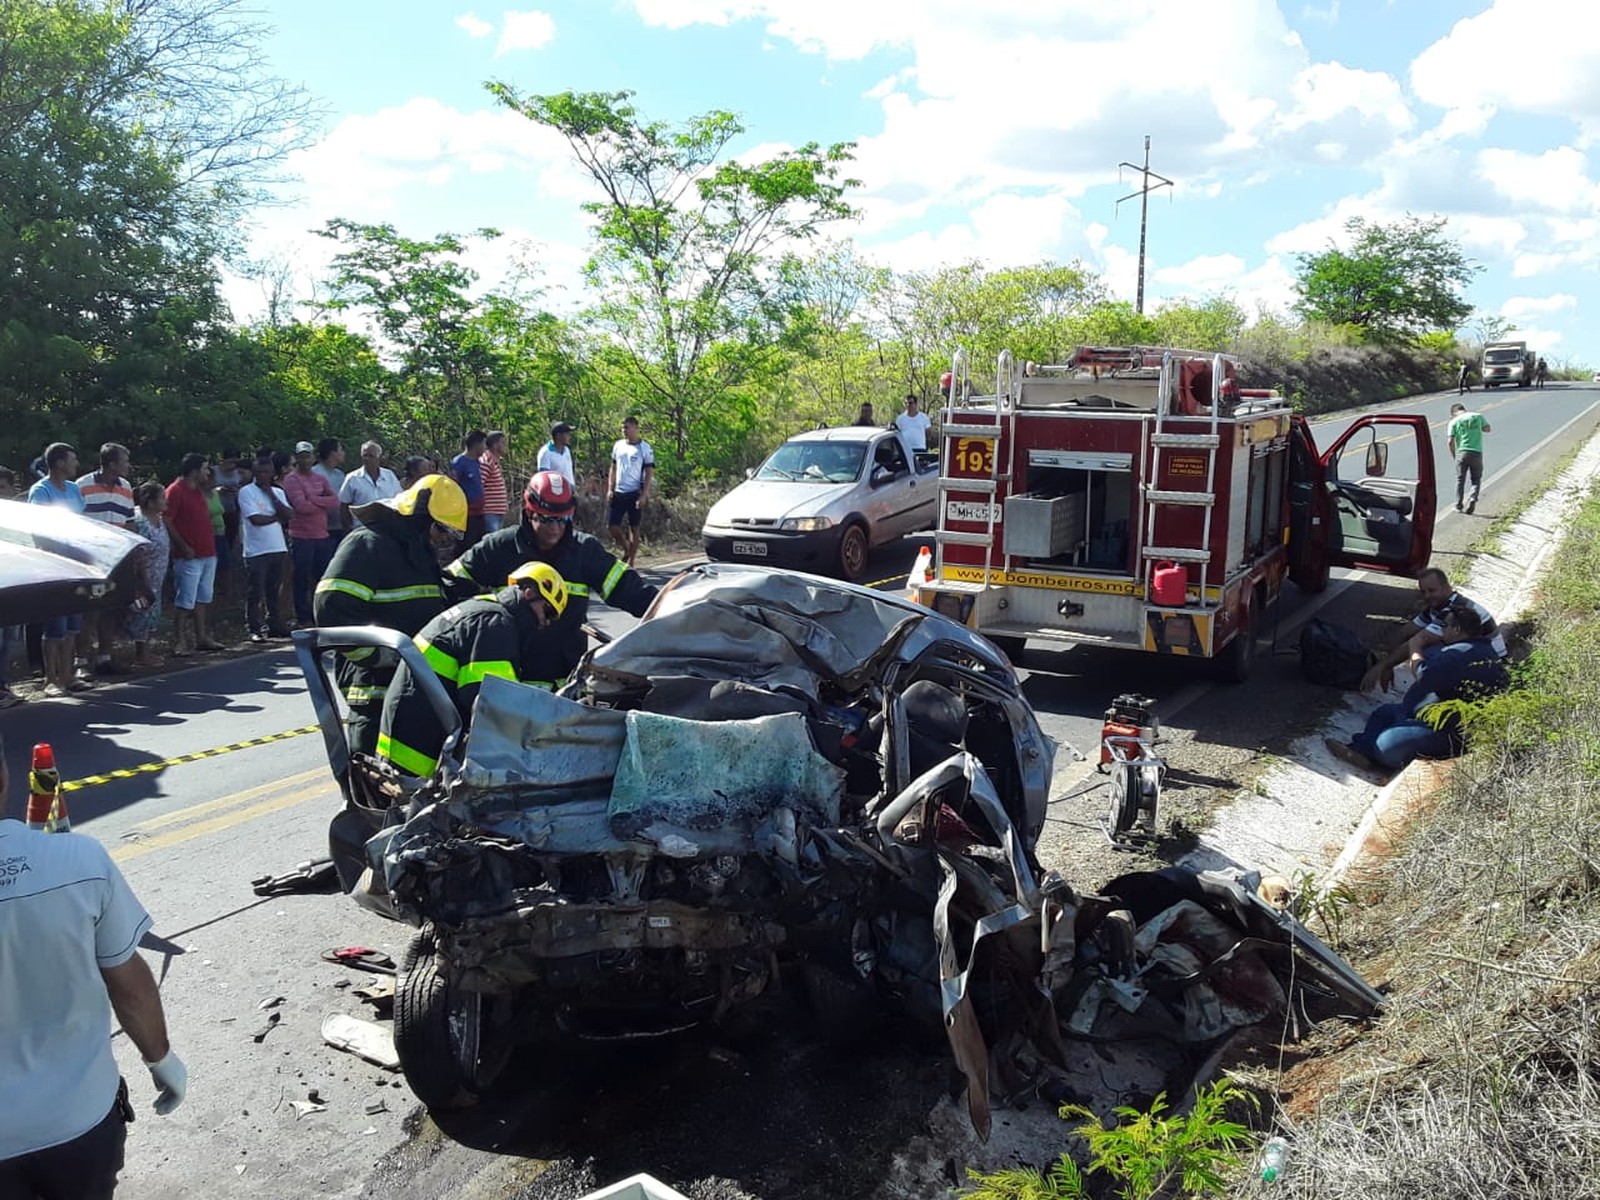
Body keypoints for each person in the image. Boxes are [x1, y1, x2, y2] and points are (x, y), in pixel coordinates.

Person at [0, 735, 187, 1198]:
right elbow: (129, 983)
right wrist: (161, 1060)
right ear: (3, 777)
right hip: (79, 1122)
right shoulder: (80, 860)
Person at [446, 470, 659, 687]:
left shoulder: (584, 551)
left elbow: (631, 591)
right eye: (547, 519)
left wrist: (674, 611)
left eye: (563, 519)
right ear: (530, 512)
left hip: (566, 687)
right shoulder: (498, 548)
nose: (555, 528)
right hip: (511, 686)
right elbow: (451, 586)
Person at [313, 474, 467, 756]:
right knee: (374, 793)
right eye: (442, 530)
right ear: (420, 517)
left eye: (451, 536)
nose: (445, 540)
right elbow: (331, 608)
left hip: (415, 697)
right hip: (374, 696)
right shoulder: (368, 545)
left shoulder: (419, 556)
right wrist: (382, 656)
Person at [377, 561, 570, 777]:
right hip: (416, 752)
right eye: (547, 610)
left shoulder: (483, 609)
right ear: (528, 592)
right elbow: (490, 705)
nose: (545, 622)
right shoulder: (494, 625)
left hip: (406, 738)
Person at [1328, 604, 1510, 774]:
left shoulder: (1458, 654)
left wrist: (1415, 649)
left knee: (1386, 745)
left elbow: (1424, 675)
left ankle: (1377, 758)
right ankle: (1362, 753)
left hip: (1447, 729)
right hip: (1424, 714)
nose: (1442, 630)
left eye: (1445, 625)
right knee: (1383, 713)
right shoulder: (1482, 649)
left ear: (1457, 630)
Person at [1360, 566, 1506, 693]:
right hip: (1471, 655)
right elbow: (1406, 632)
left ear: (1447, 587)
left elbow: (1419, 641)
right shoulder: (1437, 607)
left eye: (1432, 590)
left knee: (1428, 652)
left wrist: (1380, 668)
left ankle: (1426, 695)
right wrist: (1388, 665)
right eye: (1423, 592)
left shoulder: (1454, 609)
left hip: (1489, 663)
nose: (1427, 596)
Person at [27, 443, 88, 695]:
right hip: (52, 566)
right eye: (72, 460)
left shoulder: (74, 489)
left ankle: (67, 675)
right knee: (55, 626)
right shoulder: (41, 491)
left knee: (73, 624)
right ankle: (50, 679)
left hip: (76, 564)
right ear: (60, 462)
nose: (76, 464)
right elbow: (37, 528)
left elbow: (82, 523)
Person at [75, 443, 136, 678]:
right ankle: (80, 661)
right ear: (111, 464)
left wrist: (131, 550)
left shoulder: (126, 487)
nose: (128, 466)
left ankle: (104, 658)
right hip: (91, 558)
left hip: (117, 557)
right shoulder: (82, 485)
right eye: (125, 461)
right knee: (89, 609)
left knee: (110, 608)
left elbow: (129, 521)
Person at [165, 453, 223, 656]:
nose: (208, 472)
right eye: (205, 468)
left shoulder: (198, 491)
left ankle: (202, 637)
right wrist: (182, 545)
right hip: (188, 555)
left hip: (208, 552)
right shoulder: (175, 491)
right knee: (185, 600)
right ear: (194, 470)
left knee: (203, 598)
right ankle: (179, 640)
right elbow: (168, 520)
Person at [282, 440, 340, 628]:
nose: (305, 459)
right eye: (301, 456)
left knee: (323, 578)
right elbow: (300, 506)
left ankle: (322, 614)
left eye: (308, 455)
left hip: (322, 535)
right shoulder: (291, 479)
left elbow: (334, 501)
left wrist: (313, 499)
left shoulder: (319, 479)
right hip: (301, 537)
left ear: (313, 457)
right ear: (297, 458)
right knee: (302, 578)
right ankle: (304, 617)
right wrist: (318, 501)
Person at [238, 457, 293, 643]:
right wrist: (276, 517)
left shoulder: (278, 491)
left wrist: (271, 494)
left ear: (272, 473)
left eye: (266, 472)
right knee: (255, 591)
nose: (263, 475)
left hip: (277, 546)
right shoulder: (246, 492)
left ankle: (274, 624)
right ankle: (253, 627)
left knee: (274, 589)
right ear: (254, 473)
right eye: (259, 472)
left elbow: (289, 515)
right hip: (256, 550)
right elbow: (255, 519)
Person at [125, 482, 170, 667]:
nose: (165, 501)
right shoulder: (139, 520)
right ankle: (140, 654)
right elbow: (138, 553)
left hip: (158, 575)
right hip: (144, 576)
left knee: (152, 614)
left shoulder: (159, 519)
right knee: (140, 613)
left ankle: (146, 652)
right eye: (162, 497)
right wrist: (142, 579)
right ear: (151, 502)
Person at [606, 416, 655, 568]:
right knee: (612, 526)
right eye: (622, 427)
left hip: (635, 492)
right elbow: (613, 468)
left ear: (635, 428)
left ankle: (631, 561)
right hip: (619, 492)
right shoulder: (618, 446)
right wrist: (610, 488)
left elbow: (649, 472)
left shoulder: (644, 448)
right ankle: (626, 548)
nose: (624, 430)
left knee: (634, 527)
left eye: (626, 427)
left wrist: (644, 494)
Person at [339, 441, 402, 524]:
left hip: (388, 527)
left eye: (371, 456)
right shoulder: (352, 478)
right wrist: (347, 529)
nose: (367, 459)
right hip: (362, 527)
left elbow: (399, 499)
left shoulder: (389, 476)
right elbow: (344, 506)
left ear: (379, 458)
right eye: (365, 455)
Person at [1447, 401, 1491, 514]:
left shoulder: (1453, 422)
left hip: (1462, 452)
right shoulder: (1477, 416)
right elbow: (1488, 429)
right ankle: (1472, 498)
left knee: (1460, 480)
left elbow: (1450, 441)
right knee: (1476, 479)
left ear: (1453, 413)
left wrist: (1454, 455)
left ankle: (1458, 505)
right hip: (1476, 452)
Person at [450, 430, 489, 548]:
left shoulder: (478, 462)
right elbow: (453, 486)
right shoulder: (459, 462)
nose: (485, 448)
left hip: (480, 513)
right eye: (484, 444)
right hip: (467, 514)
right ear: (476, 444)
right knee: (466, 545)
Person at [313, 438, 348, 545]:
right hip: (320, 530)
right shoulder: (315, 473)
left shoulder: (340, 475)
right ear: (333, 453)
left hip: (340, 527)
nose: (343, 453)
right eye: (341, 449)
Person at [481, 430, 509, 535]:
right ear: (495, 445)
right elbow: (479, 485)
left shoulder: (495, 461)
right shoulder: (487, 461)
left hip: (496, 513)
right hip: (489, 513)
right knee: (491, 544)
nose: (506, 446)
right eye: (503, 443)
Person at [537, 421, 576, 488]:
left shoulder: (566, 450)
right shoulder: (546, 453)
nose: (569, 437)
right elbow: (544, 479)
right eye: (567, 434)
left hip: (569, 492)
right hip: (556, 493)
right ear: (558, 436)